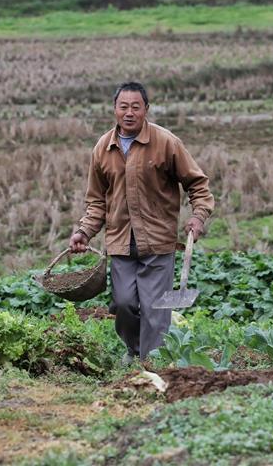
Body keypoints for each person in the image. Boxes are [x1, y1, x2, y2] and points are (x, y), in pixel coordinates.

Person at [69, 81, 214, 366]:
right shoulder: (103, 148)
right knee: (123, 304)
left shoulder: (166, 142)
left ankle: (152, 363)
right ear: (114, 109)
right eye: (123, 107)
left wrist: (198, 216)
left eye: (136, 107)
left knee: (154, 309)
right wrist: (84, 231)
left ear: (146, 109)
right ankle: (135, 350)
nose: (129, 112)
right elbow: (97, 200)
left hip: (158, 242)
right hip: (122, 242)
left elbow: (197, 184)